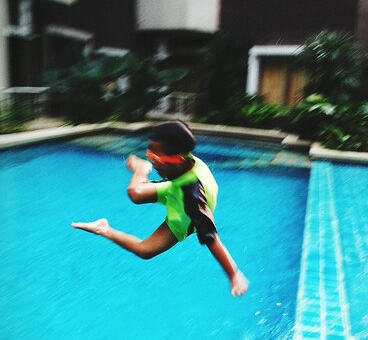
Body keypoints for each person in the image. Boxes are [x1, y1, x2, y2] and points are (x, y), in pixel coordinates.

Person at [72, 121, 249, 297]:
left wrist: (233, 275)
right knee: (135, 193)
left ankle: (103, 228)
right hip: (175, 188)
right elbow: (180, 131)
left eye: (155, 158)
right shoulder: (183, 161)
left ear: (178, 162)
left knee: (144, 250)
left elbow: (212, 239)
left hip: (184, 213)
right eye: (149, 153)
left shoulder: (192, 198)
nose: (151, 158)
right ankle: (140, 170)